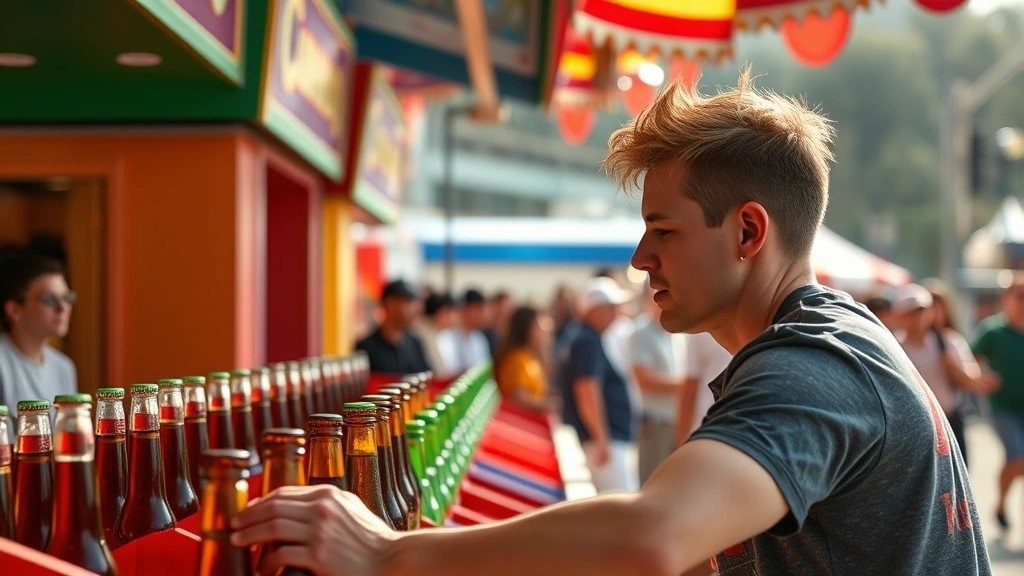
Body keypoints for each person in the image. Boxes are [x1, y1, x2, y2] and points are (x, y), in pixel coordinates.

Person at [231, 71, 989, 576]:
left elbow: (654, 537)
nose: (638, 258)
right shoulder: (829, 340)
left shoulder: (814, 365)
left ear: (748, 233)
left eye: (663, 231)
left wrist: (389, 555)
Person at [557, 276, 637, 493]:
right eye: (610, 308)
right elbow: (586, 390)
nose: (615, 313)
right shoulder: (587, 340)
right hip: (604, 441)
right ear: (595, 310)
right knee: (620, 510)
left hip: (605, 439)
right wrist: (602, 439)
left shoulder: (587, 337)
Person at [894, 283, 986, 469]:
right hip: (914, 429)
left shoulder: (948, 342)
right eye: (912, 312)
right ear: (900, 316)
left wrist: (952, 366)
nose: (918, 317)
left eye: (922, 310)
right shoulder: (894, 348)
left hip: (950, 422)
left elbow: (972, 381)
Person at [0, 253, 77, 426]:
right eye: (49, 299)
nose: (63, 307)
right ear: (14, 310)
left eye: (67, 298)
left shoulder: (64, 368)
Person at [972, 273, 1024, 529]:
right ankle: (1002, 504)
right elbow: (970, 360)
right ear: (1007, 298)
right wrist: (983, 375)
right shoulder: (992, 331)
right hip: (1002, 407)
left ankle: (1004, 505)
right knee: (1017, 458)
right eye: (1019, 296)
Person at [629, 284, 685, 484]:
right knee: (652, 483)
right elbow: (645, 380)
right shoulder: (640, 333)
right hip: (655, 423)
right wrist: (687, 386)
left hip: (676, 420)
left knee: (675, 484)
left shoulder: (676, 332)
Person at [355, 280, 429, 375]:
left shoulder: (415, 344)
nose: (415, 311)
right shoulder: (365, 348)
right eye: (408, 303)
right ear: (389, 304)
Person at [495, 306, 554, 413]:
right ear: (528, 328)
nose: (544, 331)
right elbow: (519, 399)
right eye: (539, 325)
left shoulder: (530, 356)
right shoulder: (517, 359)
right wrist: (548, 405)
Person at [676, 331, 731, 445]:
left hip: (710, 429)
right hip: (706, 428)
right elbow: (690, 388)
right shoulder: (699, 332)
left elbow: (689, 389)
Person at [438, 288, 491, 374]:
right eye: (478, 309)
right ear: (466, 309)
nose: (483, 314)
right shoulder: (446, 338)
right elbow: (449, 372)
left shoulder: (480, 338)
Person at [412, 292, 457, 376]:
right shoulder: (420, 334)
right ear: (439, 313)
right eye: (448, 313)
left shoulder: (445, 335)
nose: (453, 318)